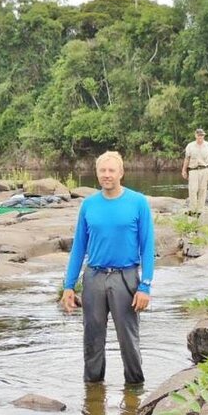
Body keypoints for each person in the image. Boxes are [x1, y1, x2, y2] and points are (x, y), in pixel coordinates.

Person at [60, 151, 154, 385]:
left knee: (128, 340)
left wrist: (146, 286)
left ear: (121, 173)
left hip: (126, 278)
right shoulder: (88, 205)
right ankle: (93, 394)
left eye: (111, 170)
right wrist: (69, 286)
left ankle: (135, 392)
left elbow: (147, 247)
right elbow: (78, 248)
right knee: (92, 339)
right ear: (97, 173)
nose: (107, 175)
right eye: (102, 170)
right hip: (94, 278)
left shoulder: (138, 202)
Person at [181, 128, 208, 217]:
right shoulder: (190, 146)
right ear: (195, 135)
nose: (200, 137)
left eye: (202, 135)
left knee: (203, 190)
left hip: (204, 169)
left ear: (204, 136)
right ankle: (193, 210)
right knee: (193, 190)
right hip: (193, 170)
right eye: (199, 135)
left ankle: (200, 210)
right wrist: (184, 170)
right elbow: (187, 158)